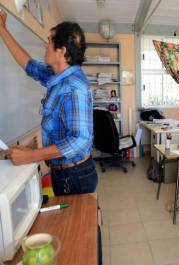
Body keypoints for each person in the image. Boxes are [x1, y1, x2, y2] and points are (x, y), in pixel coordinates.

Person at [0, 10, 97, 196]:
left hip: (74, 176)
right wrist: (3, 30)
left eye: (50, 40)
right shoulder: (57, 76)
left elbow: (79, 140)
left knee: (73, 225)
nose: (46, 45)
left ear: (62, 51)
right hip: (64, 173)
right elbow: (29, 65)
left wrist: (31, 156)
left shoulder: (75, 87)